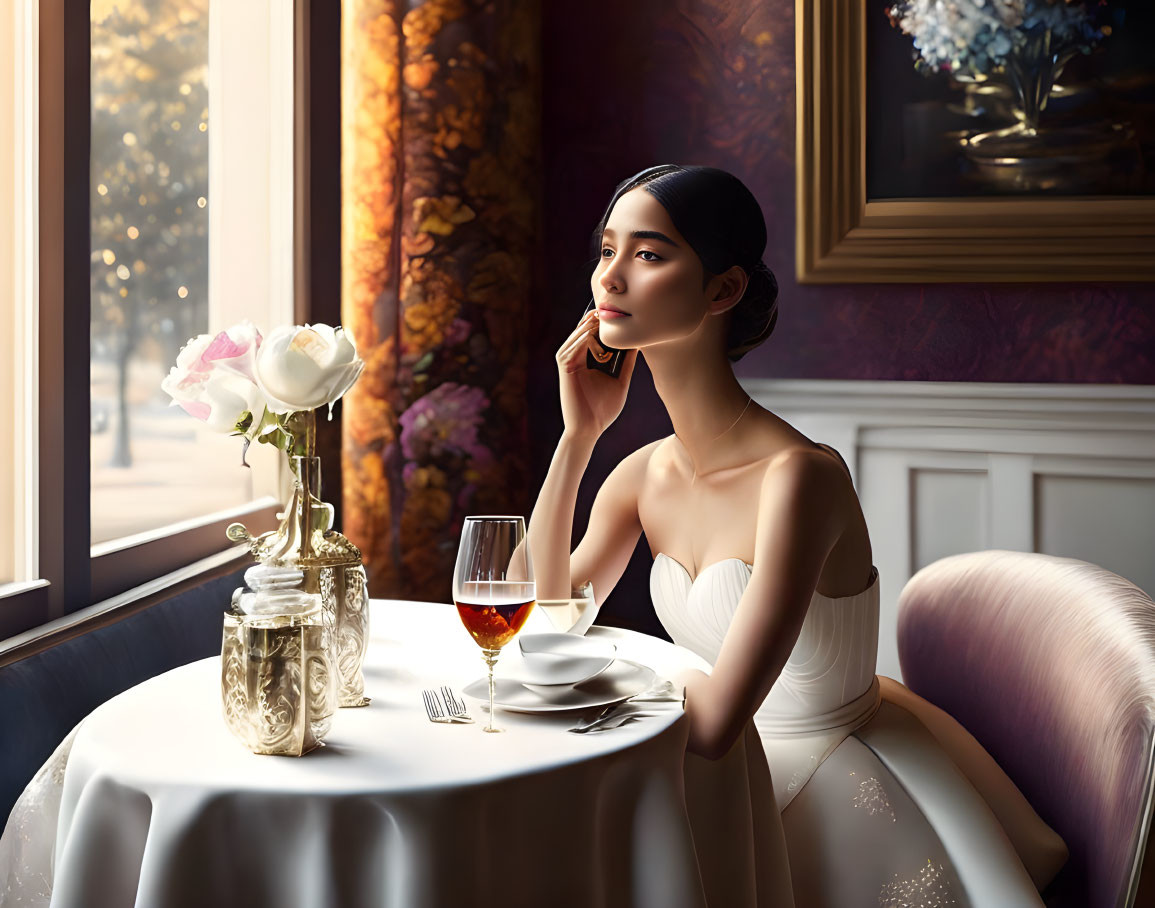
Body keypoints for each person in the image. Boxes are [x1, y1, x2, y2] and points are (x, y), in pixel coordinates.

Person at [526, 164, 1068, 906]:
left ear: (723, 290)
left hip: (830, 784)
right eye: (605, 251)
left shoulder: (798, 478)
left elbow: (716, 725)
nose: (608, 280)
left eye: (648, 255)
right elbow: (537, 612)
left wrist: (626, 671)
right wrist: (577, 437)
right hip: (722, 773)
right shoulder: (643, 473)